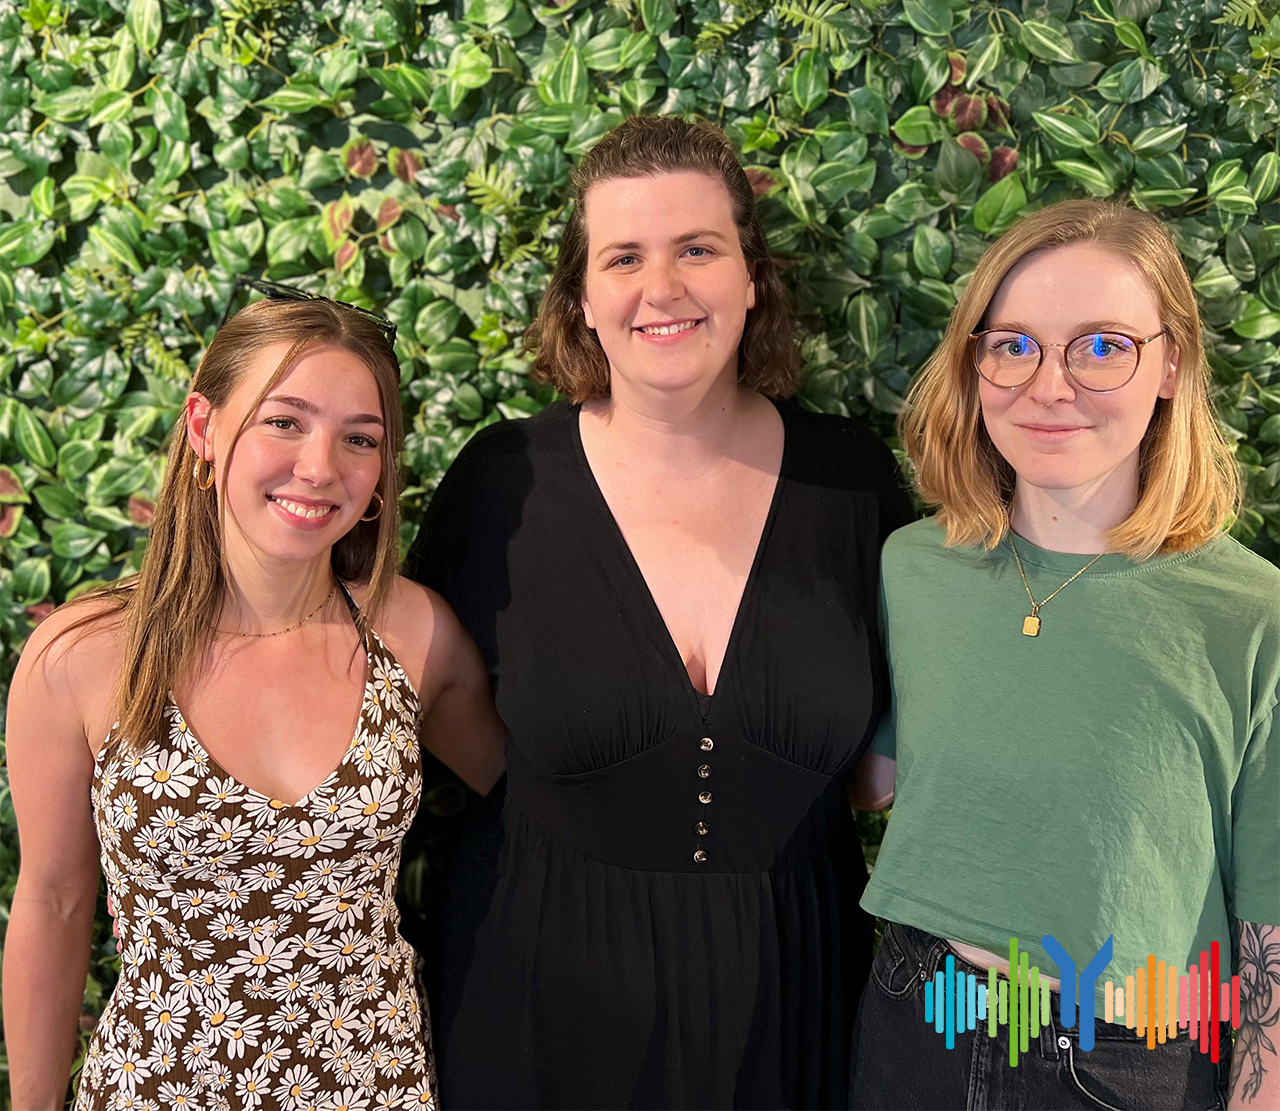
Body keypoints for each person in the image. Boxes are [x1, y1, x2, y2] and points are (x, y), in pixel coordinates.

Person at [403, 114, 914, 1110]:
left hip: (790, 1006)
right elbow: (418, 702)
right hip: (533, 1004)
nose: (661, 286)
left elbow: (875, 768)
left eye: (697, 249)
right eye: (623, 256)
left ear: (751, 278)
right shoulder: (502, 483)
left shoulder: (850, 483)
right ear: (582, 298)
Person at [4, 289, 506, 1110]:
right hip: (156, 1090)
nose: (320, 467)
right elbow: (54, 900)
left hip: (374, 1090)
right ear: (203, 428)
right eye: (285, 421)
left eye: (360, 439)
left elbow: (531, 806)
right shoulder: (84, 656)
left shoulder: (412, 634)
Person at [848, 199, 1280, 1109]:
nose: (1049, 386)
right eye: (1012, 345)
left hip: (1130, 1052)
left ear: (1170, 364)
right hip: (919, 1011)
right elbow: (874, 772)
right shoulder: (915, 567)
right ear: (973, 364)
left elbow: (1271, 920)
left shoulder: (1253, 615)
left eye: (1102, 345)